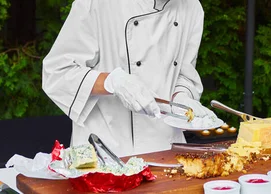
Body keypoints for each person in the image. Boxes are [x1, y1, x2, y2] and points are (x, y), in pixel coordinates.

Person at [42, 0, 217, 157]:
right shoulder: (96, 4)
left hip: (166, 149)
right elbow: (57, 72)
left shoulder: (191, 7)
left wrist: (182, 97)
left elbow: (184, 74)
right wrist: (113, 82)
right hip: (106, 152)